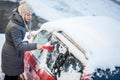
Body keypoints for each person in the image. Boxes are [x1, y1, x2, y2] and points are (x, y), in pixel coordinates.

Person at [1, 1, 52, 80]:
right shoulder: (15, 27)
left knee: (10, 76)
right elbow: (19, 46)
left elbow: (15, 41)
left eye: (31, 15)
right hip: (12, 56)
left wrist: (23, 42)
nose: (30, 17)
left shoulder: (18, 21)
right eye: (28, 15)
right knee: (11, 77)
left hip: (11, 53)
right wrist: (36, 46)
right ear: (22, 14)